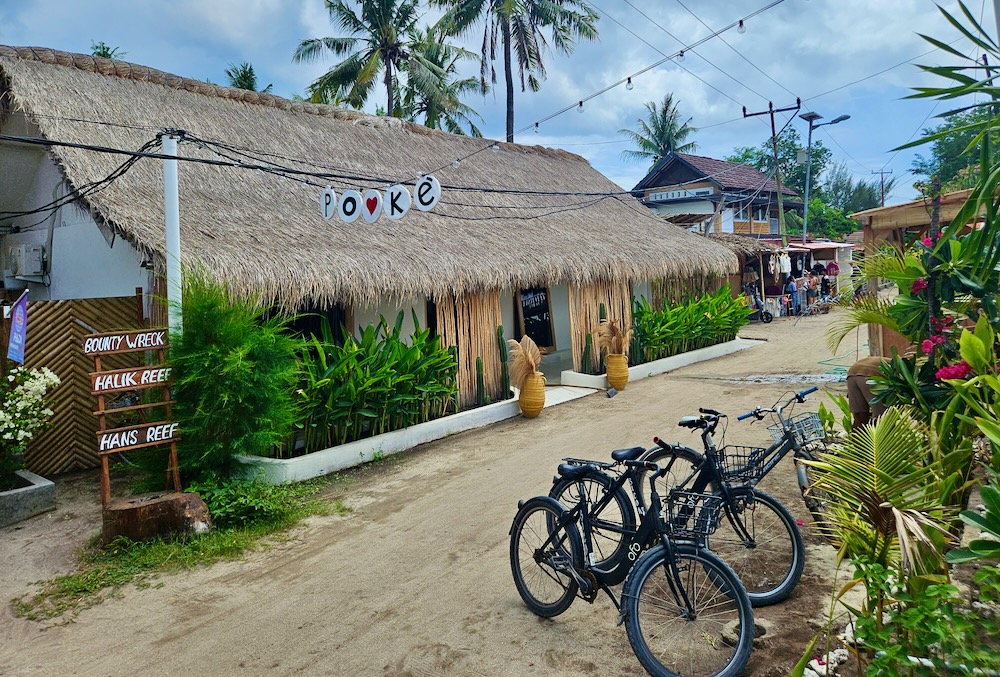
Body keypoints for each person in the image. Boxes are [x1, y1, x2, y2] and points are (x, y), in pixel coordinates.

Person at [847, 356, 888, 428]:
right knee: (882, 417)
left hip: (852, 373)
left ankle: (856, 438)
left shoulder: (893, 361)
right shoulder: (907, 368)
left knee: (859, 416)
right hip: (870, 375)